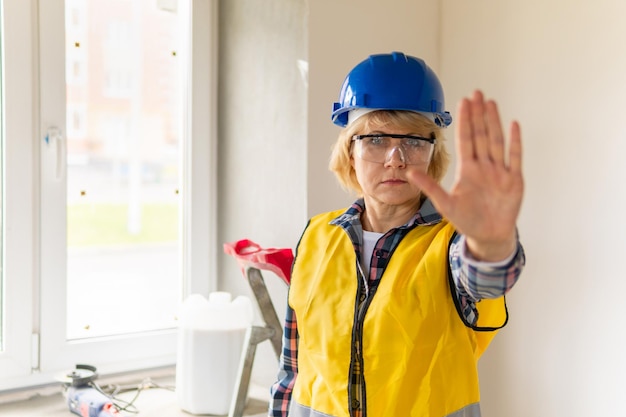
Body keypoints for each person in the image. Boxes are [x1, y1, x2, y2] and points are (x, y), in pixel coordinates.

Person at [269, 51, 525, 417]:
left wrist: (491, 244)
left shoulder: (452, 243)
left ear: (431, 155)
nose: (395, 158)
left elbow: (485, 278)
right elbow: (292, 367)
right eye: (375, 139)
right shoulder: (316, 236)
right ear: (350, 152)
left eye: (414, 141)